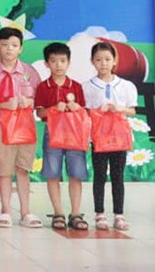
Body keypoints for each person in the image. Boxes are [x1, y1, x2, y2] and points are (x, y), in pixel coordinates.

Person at [0, 27, 42, 228]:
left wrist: (30, 101)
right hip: (2, 124)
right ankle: (5, 211)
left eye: (14, 45)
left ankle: (26, 212)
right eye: (5, 45)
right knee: (5, 169)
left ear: (21, 48)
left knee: (23, 169)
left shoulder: (29, 72)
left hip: (25, 125)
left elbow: (40, 99)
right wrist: (3, 104)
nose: (9, 49)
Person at [82, 41, 136, 231]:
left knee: (117, 176)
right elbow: (85, 112)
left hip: (119, 138)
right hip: (99, 138)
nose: (103, 63)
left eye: (107, 59)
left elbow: (132, 110)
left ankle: (119, 215)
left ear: (114, 61)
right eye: (98, 60)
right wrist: (98, 111)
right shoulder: (87, 87)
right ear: (92, 61)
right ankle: (100, 214)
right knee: (99, 175)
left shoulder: (126, 86)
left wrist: (118, 108)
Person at [35, 42, 88, 231]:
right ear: (46, 63)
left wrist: (77, 108)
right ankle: (58, 213)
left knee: (76, 174)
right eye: (53, 61)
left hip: (74, 134)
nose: (58, 65)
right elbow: (40, 113)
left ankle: (76, 213)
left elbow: (84, 113)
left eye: (63, 61)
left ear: (69, 62)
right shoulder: (43, 87)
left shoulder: (76, 87)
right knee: (52, 173)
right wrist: (53, 109)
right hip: (52, 133)